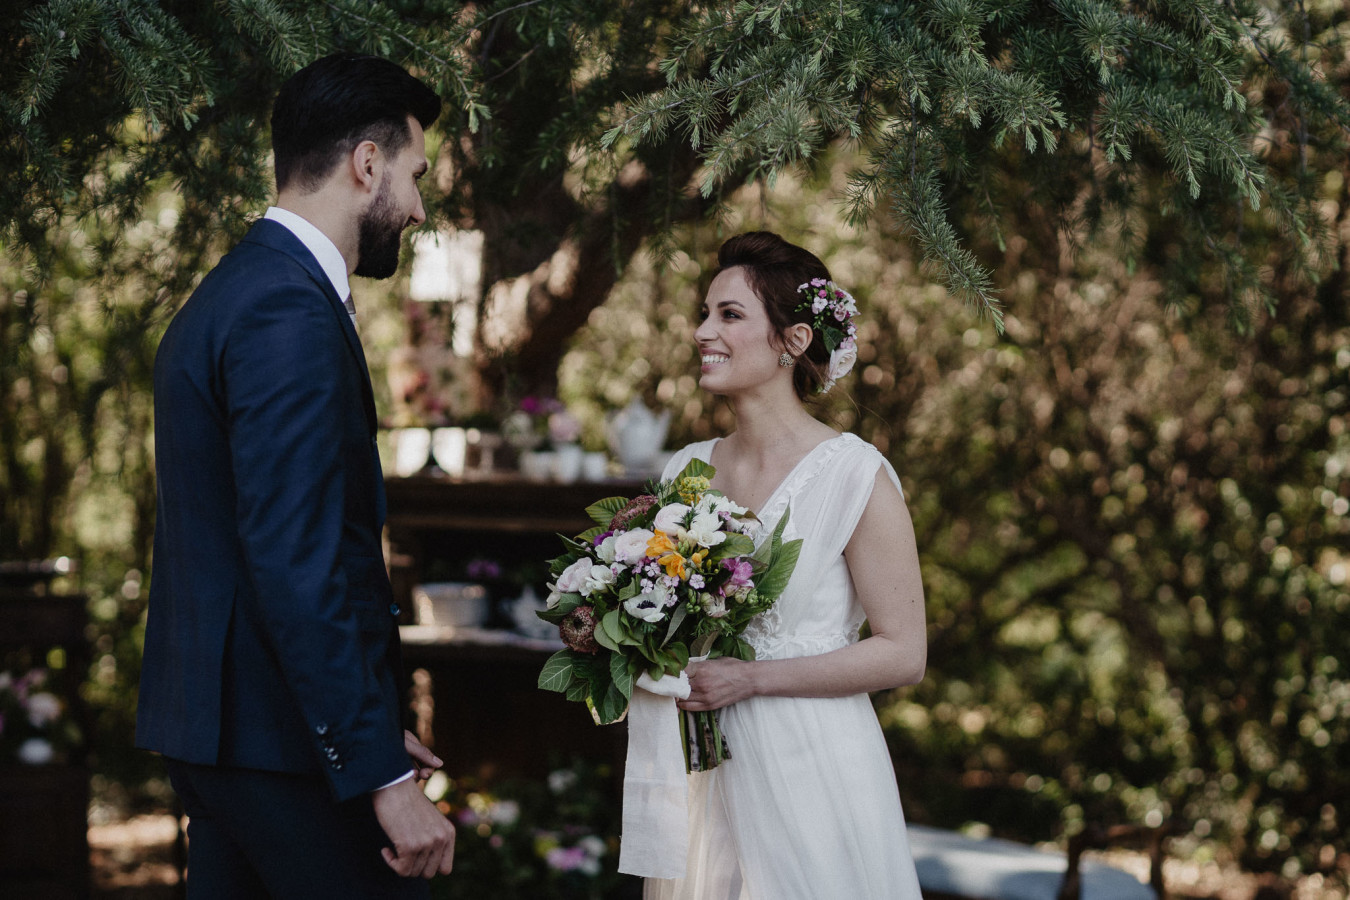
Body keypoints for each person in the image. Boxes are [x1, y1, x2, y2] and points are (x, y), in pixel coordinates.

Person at [136, 53, 456, 897]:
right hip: (279, 747)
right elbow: (297, 558)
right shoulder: (286, 311)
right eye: (416, 175)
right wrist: (378, 772)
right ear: (366, 164)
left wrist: (378, 731)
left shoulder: (238, 290)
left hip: (232, 737)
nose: (419, 206)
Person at [640, 231, 927, 898]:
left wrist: (751, 680)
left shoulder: (856, 475)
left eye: (730, 315)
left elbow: (903, 653)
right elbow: (659, 607)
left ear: (793, 342)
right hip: (703, 770)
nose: (703, 330)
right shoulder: (686, 470)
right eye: (706, 313)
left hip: (814, 763)